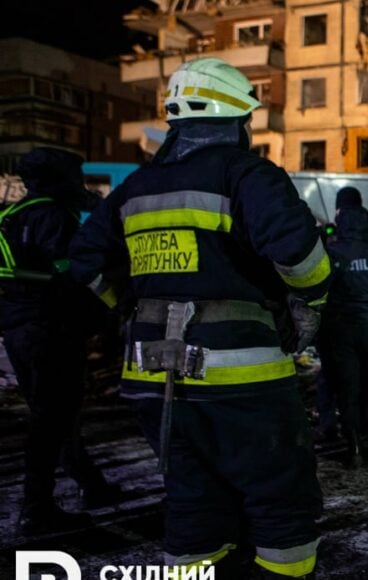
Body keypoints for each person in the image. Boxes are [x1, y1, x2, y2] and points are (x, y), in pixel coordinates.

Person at [69, 57, 328, 579]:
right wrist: (309, 304)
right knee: (280, 496)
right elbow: (301, 256)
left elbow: (85, 263)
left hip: (152, 375)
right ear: (237, 121)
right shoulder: (246, 173)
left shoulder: (136, 187)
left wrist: (131, 306)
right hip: (240, 375)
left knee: (192, 500)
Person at [0, 147, 123, 535]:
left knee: (52, 414)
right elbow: (73, 276)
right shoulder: (53, 217)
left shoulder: (12, 215)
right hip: (49, 329)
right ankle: (37, 509)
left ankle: (91, 485)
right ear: (59, 179)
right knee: (52, 417)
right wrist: (108, 311)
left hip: (19, 327)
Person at [318, 186, 368, 467]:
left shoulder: (334, 252)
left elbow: (322, 289)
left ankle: (356, 450)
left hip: (343, 332)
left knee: (347, 388)